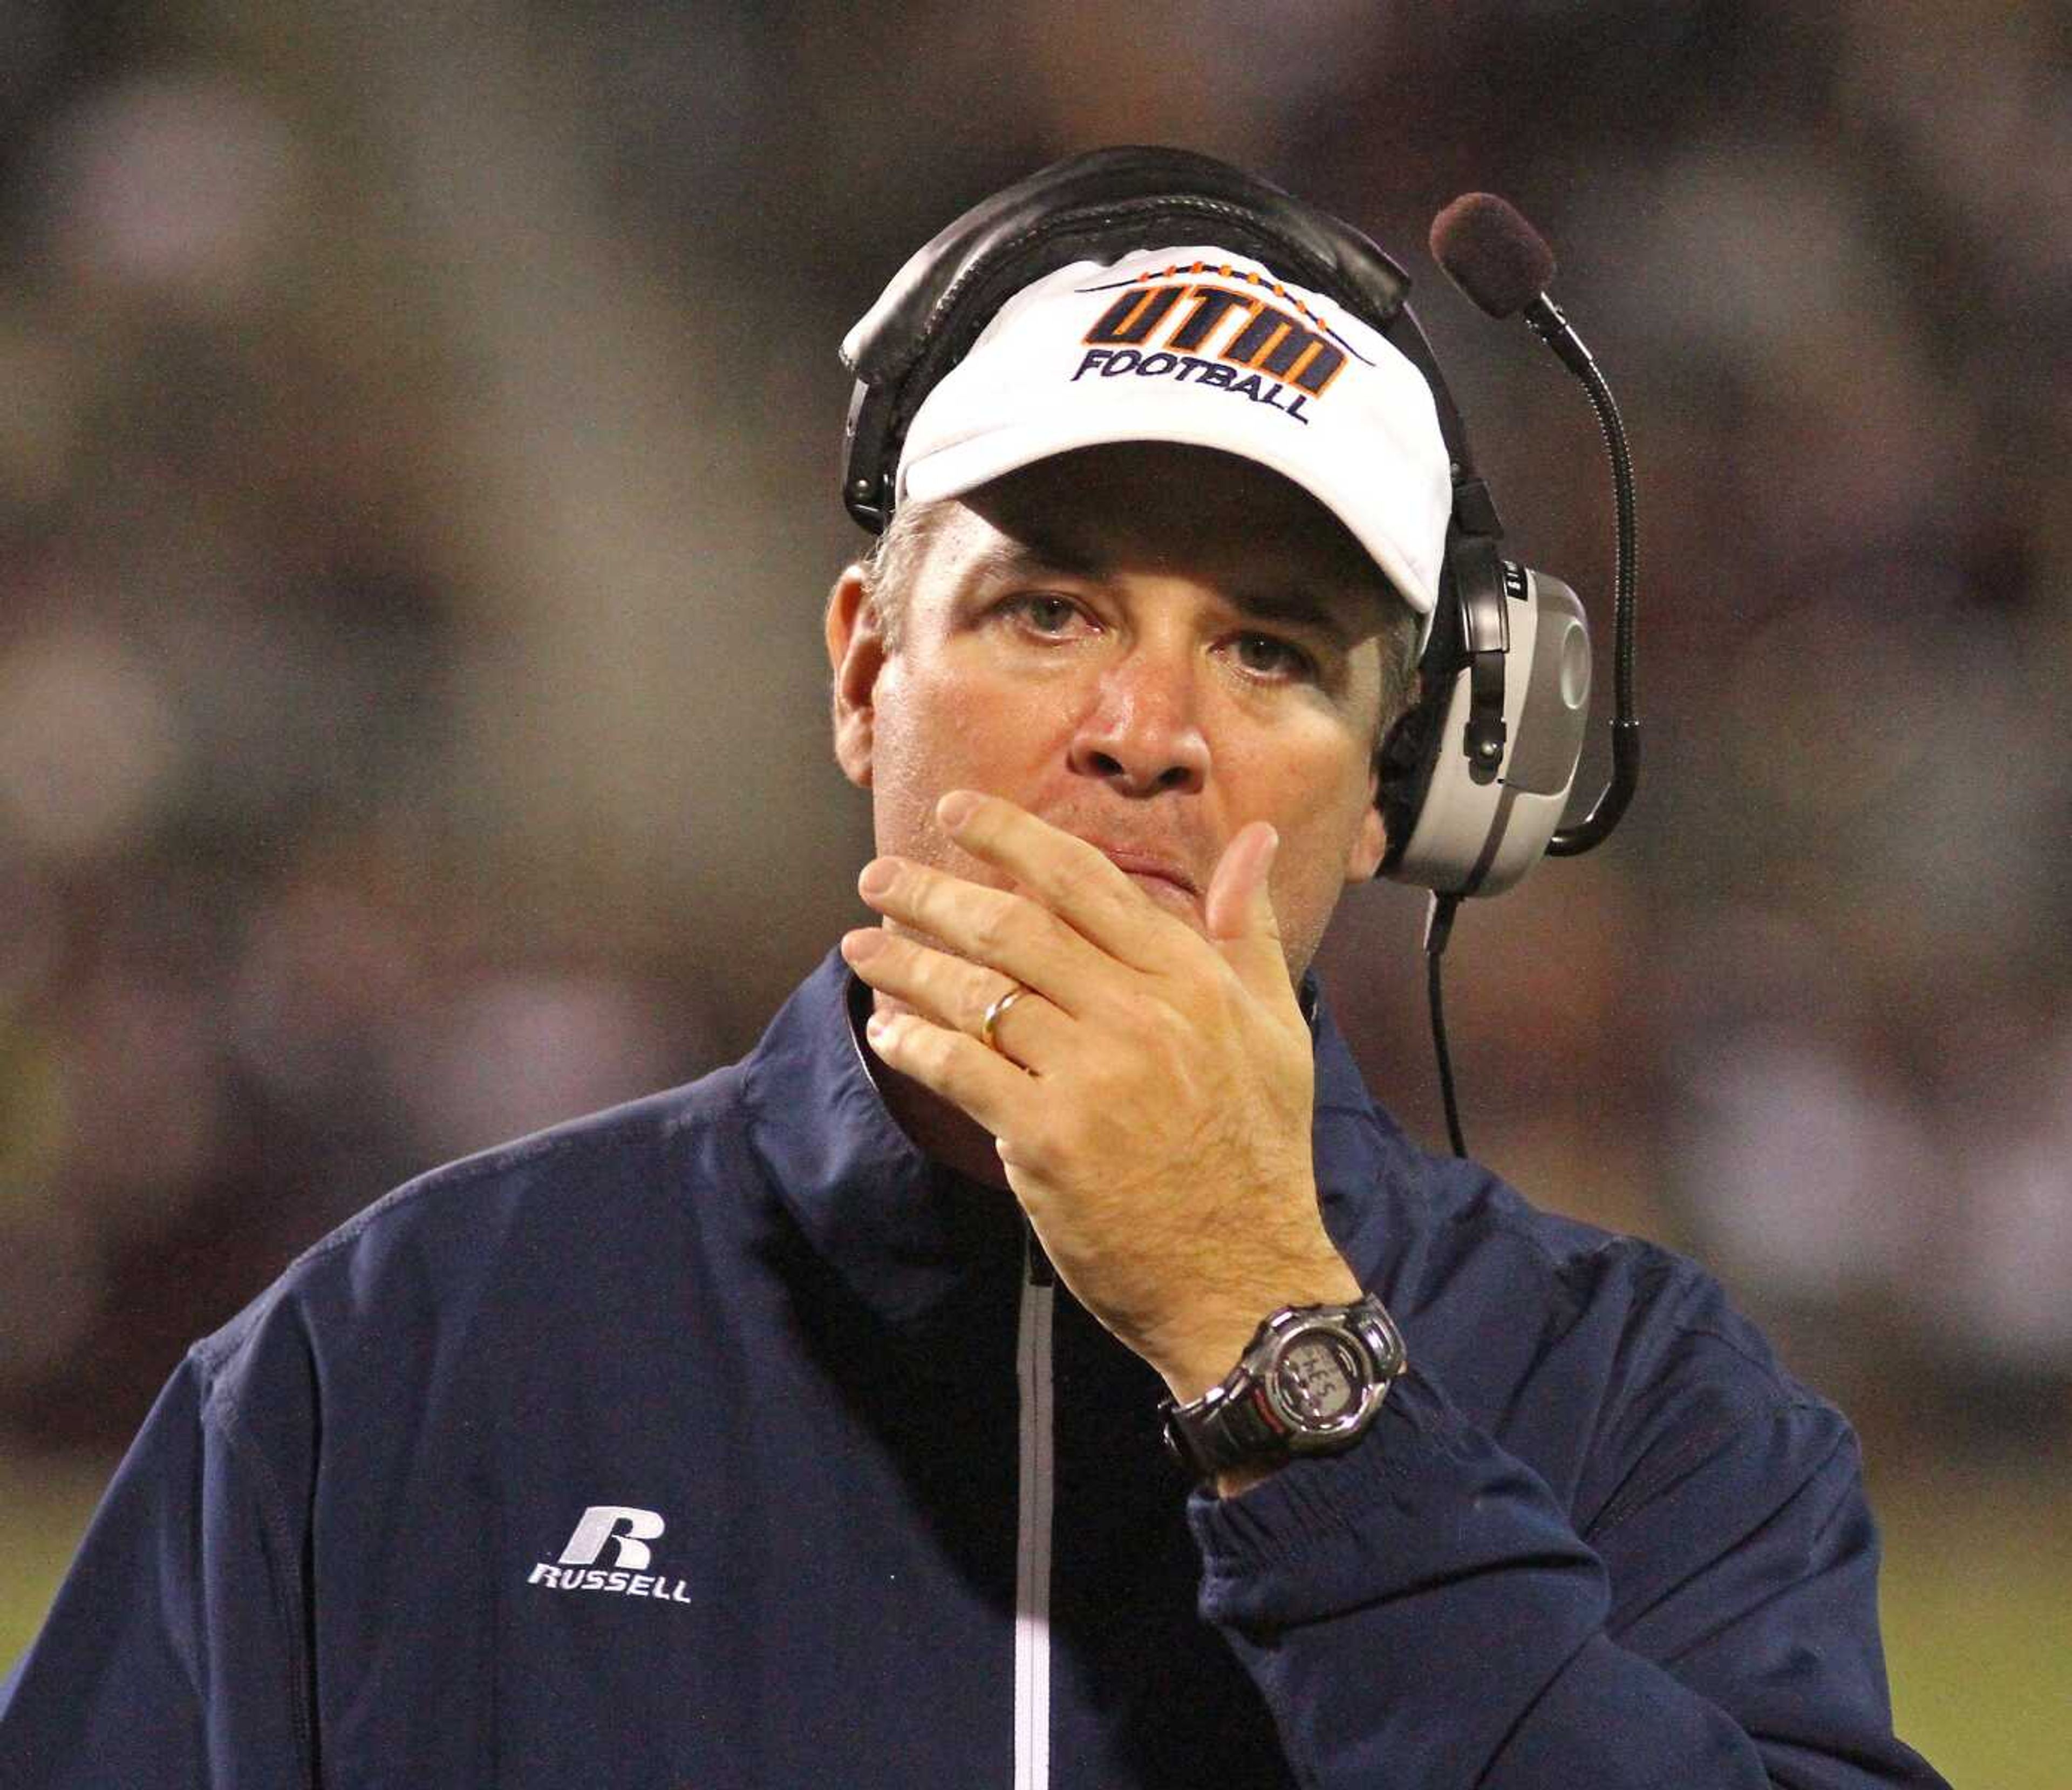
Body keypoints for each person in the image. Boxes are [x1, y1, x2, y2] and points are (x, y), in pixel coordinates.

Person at [0, 150, 1946, 1789]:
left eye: (1272, 650)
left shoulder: (1651, 1410)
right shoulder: (390, 1366)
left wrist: (1282, 1360)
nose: (1143, 728)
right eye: (1048, 607)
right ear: (864, 674)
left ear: (1403, 790)